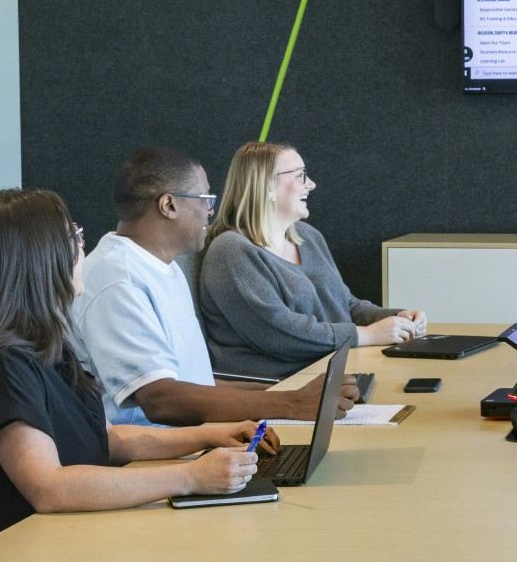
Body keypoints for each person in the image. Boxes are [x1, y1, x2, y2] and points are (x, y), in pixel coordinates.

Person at [0, 189, 271, 550]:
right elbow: (48, 487)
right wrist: (190, 476)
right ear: (34, 259)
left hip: (42, 548)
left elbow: (108, 440)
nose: (82, 245)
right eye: (73, 236)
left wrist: (210, 436)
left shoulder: (45, 345)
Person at [73, 147, 360, 425]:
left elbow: (199, 384)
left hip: (192, 439)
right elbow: (161, 400)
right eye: (205, 199)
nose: (211, 211)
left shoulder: (164, 266)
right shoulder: (119, 279)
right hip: (149, 458)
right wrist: (291, 403)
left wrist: (294, 393)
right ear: (169, 205)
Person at [200, 141, 427, 379]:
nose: (311, 184)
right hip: (278, 388)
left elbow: (344, 304)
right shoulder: (231, 252)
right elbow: (279, 335)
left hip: (331, 371)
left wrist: (394, 319)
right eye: (300, 176)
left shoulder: (307, 236)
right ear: (266, 185)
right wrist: (367, 335)